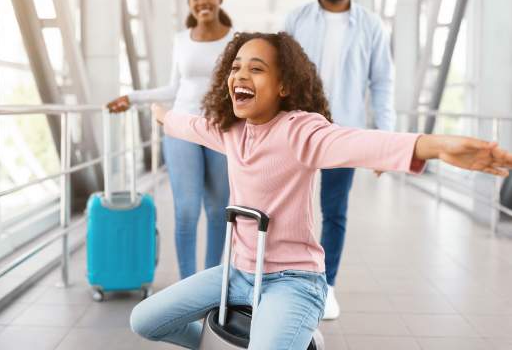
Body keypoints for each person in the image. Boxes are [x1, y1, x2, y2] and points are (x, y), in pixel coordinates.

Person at [129, 32, 512, 350]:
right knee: (144, 320)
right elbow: (185, 124)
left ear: (283, 86)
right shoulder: (230, 131)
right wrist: (158, 113)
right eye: (235, 67)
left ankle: (302, 334)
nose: (240, 75)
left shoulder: (300, 131)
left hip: (294, 280)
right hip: (238, 274)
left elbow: (359, 142)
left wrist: (437, 145)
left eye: (256, 68)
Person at [284, 0, 394, 319]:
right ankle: (282, 283)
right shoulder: (296, 19)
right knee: (285, 209)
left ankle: (326, 287)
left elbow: (382, 83)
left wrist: (386, 140)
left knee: (334, 211)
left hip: (342, 132)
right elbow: (276, 72)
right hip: (296, 127)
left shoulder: (370, 24)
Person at [107, 0, 233, 279]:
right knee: (187, 210)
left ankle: (211, 284)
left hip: (221, 131)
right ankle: (187, 286)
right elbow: (172, 89)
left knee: (217, 212)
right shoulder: (181, 40)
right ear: (189, 3)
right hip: (181, 128)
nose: (203, 1)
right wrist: (132, 97)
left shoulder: (237, 40)